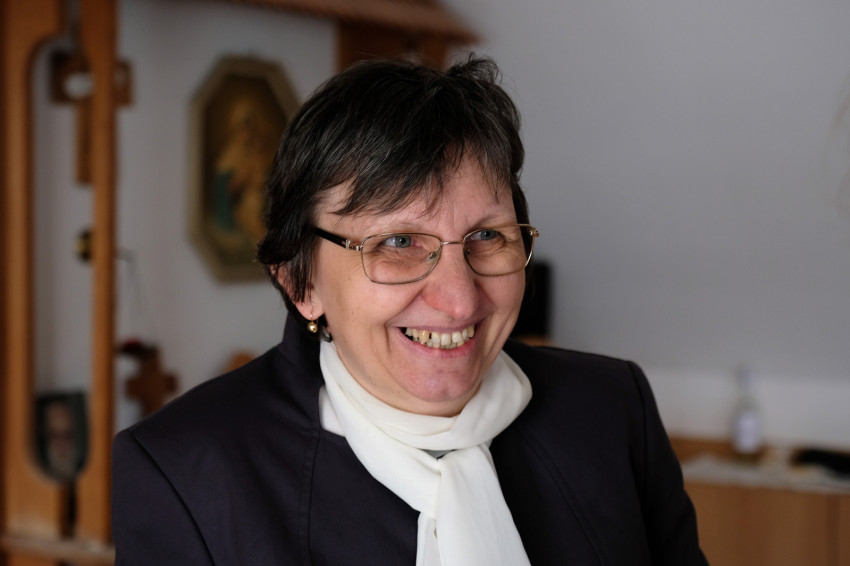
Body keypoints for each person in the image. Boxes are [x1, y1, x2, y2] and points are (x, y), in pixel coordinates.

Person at [112, 56, 708, 566]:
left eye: (487, 236)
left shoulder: (613, 411)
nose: (459, 299)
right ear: (299, 282)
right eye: (398, 242)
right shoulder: (183, 475)